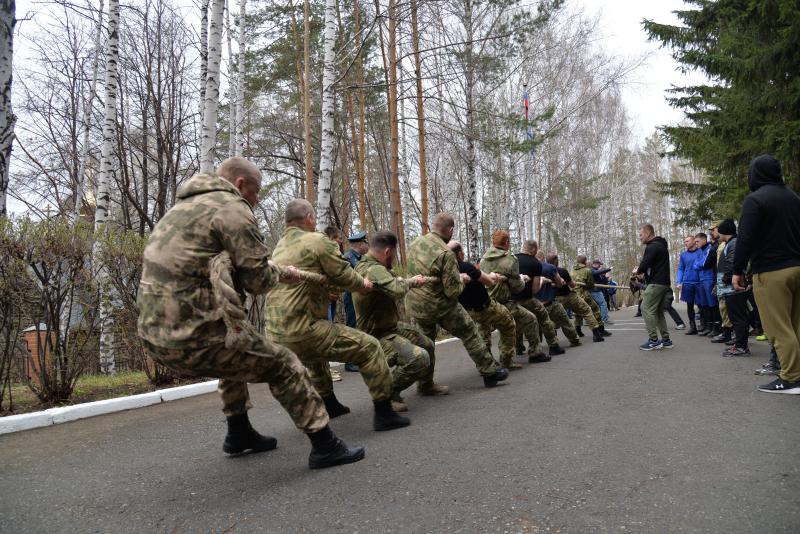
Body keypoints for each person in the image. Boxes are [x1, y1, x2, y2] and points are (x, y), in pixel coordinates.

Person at [137, 157, 364, 469]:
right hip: (194, 336)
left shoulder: (177, 212)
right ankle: (325, 445)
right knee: (285, 363)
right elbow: (257, 281)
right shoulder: (232, 207)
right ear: (240, 185)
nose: (257, 201)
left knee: (233, 356)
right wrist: (276, 274)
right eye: (256, 193)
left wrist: (281, 270)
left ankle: (239, 432)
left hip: (154, 337)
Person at [265, 199, 410, 431]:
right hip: (304, 328)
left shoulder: (280, 246)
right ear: (310, 218)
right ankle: (384, 413)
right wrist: (361, 283)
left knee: (316, 357)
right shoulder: (317, 240)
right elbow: (343, 274)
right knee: (370, 347)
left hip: (276, 331)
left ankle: (330, 404)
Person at [405, 213, 509, 390]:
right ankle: (489, 371)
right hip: (439, 305)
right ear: (450, 230)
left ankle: (425, 384)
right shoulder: (446, 253)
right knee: (469, 331)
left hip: (416, 303)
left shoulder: (415, 243)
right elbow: (452, 291)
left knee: (427, 343)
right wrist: (461, 280)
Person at [733, 154, 800, 394]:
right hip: (796, 267)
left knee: (778, 329)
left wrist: (737, 269)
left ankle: (791, 379)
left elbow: (746, 238)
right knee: (795, 326)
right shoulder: (794, 197)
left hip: (772, 271)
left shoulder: (756, 200)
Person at [353, 231, 432, 412]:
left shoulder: (374, 267)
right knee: (418, 358)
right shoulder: (373, 269)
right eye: (394, 255)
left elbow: (392, 282)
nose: (394, 259)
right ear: (388, 252)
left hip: (390, 327)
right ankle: (387, 396)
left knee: (427, 344)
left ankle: (426, 385)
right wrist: (411, 282)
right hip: (375, 335)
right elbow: (396, 290)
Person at [480, 230, 550, 364]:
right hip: (505, 302)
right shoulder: (510, 259)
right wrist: (523, 279)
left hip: (487, 300)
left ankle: (487, 362)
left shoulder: (484, 258)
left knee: (485, 331)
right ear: (506, 243)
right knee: (531, 319)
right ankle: (535, 353)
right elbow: (516, 287)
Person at [448, 240, 519, 370]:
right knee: (509, 325)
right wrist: (492, 275)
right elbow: (490, 282)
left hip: (467, 311)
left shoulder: (448, 272)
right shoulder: (467, 267)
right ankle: (506, 360)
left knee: (483, 333)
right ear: (460, 254)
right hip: (485, 307)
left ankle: (489, 363)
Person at [513, 240, 564, 356]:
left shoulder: (512, 259)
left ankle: (518, 347)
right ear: (533, 249)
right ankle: (553, 346)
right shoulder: (535, 263)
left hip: (512, 299)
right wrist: (542, 281)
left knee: (516, 322)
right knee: (544, 319)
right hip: (527, 298)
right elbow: (535, 289)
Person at [714, 219, 751, 356]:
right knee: (735, 316)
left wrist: (727, 278)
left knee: (738, 317)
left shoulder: (734, 243)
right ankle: (740, 344)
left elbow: (733, 263)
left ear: (724, 231)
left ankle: (741, 347)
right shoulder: (729, 243)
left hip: (732, 287)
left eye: (719, 230)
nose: (717, 233)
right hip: (728, 287)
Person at [633, 224, 673, 350]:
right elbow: (652, 265)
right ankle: (666, 340)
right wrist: (642, 273)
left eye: (641, 235)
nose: (640, 238)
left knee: (645, 307)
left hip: (656, 283)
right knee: (658, 311)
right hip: (663, 283)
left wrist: (637, 271)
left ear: (648, 233)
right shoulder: (660, 245)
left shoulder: (652, 246)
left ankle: (653, 340)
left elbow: (645, 263)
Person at [549, 253, 605, 342]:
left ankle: (554, 341)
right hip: (570, 296)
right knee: (587, 310)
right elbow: (575, 284)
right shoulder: (563, 271)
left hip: (556, 299)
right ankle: (597, 333)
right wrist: (584, 286)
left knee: (554, 318)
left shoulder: (571, 271)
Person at [537, 251, 581, 347]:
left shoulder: (527, 269)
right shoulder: (549, 268)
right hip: (549, 302)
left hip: (534, 304)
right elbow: (560, 284)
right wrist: (560, 282)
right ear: (542, 257)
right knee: (564, 321)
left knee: (538, 324)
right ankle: (574, 340)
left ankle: (532, 347)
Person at [342, 230, 369, 372]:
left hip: (360, 298)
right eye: (366, 243)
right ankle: (349, 362)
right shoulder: (347, 258)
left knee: (361, 328)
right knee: (351, 327)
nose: (368, 245)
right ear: (360, 244)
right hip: (351, 297)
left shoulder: (360, 258)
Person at [571, 256, 611, 338]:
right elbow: (590, 285)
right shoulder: (587, 271)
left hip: (574, 295)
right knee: (595, 309)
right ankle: (601, 330)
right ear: (584, 262)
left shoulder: (572, 271)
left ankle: (578, 330)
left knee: (578, 312)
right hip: (584, 294)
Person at [694, 232, 722, 337]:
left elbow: (705, 263)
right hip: (702, 280)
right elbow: (695, 265)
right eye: (695, 242)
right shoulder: (699, 251)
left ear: (704, 240)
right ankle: (708, 326)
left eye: (698, 241)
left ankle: (717, 327)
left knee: (712, 304)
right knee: (705, 305)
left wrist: (699, 265)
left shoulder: (710, 249)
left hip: (709, 279)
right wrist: (699, 265)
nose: (696, 244)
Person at [676, 235, 702, 334]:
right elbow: (681, 269)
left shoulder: (701, 252)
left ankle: (704, 325)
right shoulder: (683, 255)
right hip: (687, 283)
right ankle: (693, 327)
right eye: (684, 241)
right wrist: (679, 281)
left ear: (693, 241)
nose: (685, 243)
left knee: (702, 305)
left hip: (699, 282)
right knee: (689, 306)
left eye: (687, 241)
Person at [589, 259, 612, 324]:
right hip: (594, 291)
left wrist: (603, 275)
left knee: (594, 306)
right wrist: (608, 269)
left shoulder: (596, 271)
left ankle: (593, 320)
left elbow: (602, 282)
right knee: (603, 304)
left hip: (597, 290)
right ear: (595, 264)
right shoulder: (592, 270)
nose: (600, 266)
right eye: (599, 265)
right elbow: (596, 273)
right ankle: (604, 319)